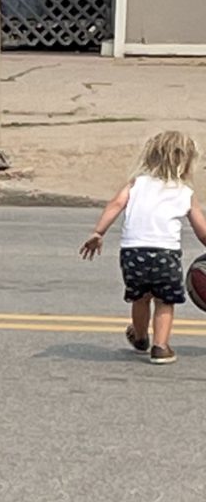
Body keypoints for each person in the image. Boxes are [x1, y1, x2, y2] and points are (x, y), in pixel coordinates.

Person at [79, 130, 206, 364]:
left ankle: (139, 338)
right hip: (165, 255)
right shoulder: (185, 193)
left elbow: (115, 204)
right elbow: (202, 231)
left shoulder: (136, 184)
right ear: (187, 162)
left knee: (140, 297)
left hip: (133, 253)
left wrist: (98, 232)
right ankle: (160, 346)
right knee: (164, 301)